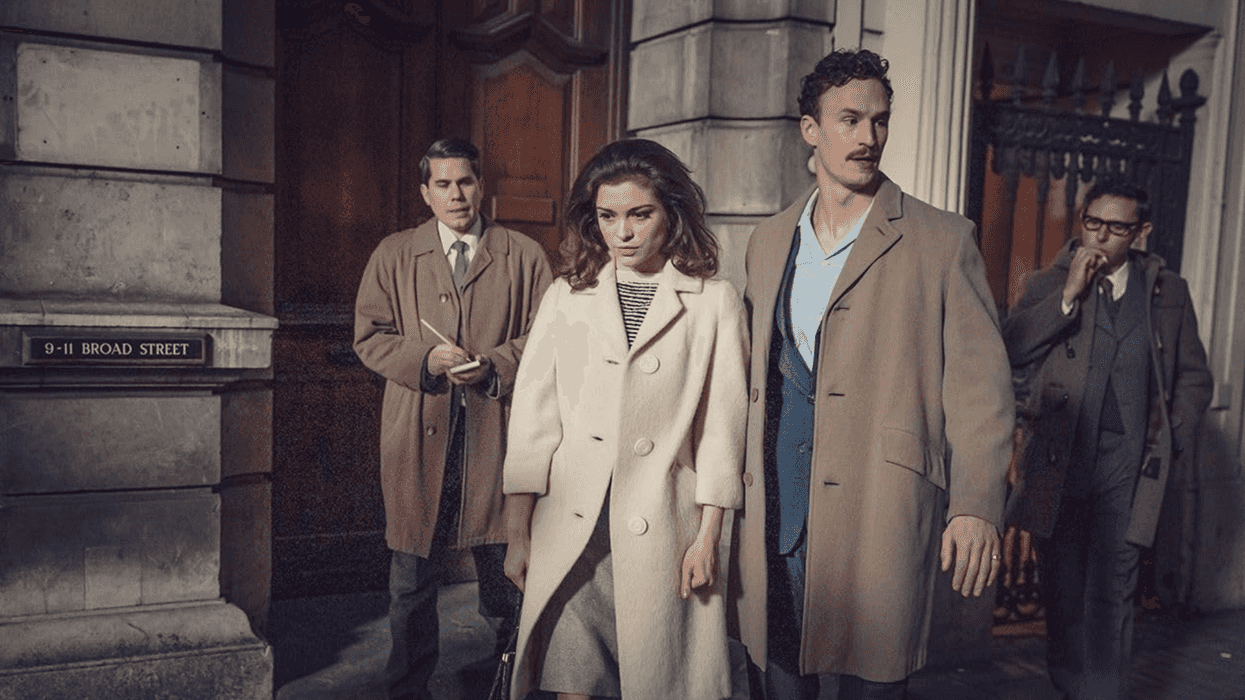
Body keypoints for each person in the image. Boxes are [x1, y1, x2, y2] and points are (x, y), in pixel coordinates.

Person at [729, 48, 1015, 700]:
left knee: (874, 686)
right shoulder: (768, 239)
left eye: (878, 121)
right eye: (849, 120)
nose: (867, 138)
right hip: (774, 506)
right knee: (774, 678)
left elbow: (979, 388)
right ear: (810, 129)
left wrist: (974, 504)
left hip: (879, 509)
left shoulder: (942, 239)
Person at [501, 138, 750, 700]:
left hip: (665, 527)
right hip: (573, 528)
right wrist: (517, 532)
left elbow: (721, 431)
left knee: (658, 680)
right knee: (572, 683)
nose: (624, 233)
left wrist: (708, 538)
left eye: (641, 214)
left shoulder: (714, 301)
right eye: (608, 217)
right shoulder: (567, 295)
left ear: (673, 213)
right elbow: (534, 422)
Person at [353, 138, 554, 700]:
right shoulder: (394, 254)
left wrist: (494, 364)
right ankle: (408, 688)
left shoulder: (524, 254)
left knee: (505, 571)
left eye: (464, 181)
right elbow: (369, 337)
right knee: (412, 579)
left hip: (496, 433)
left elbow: (547, 340)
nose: (456, 194)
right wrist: (424, 357)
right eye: (442, 184)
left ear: (480, 185)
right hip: (418, 434)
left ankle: (506, 684)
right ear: (425, 192)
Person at [1002, 181, 1212, 699]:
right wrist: (1069, 296)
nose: (1100, 237)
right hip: (1061, 461)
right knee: (1064, 591)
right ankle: (1073, 686)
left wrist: (1173, 436)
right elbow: (1013, 350)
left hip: (1130, 468)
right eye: (1092, 223)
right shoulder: (1048, 283)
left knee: (1114, 593)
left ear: (1140, 232)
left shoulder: (1167, 291)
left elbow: (1194, 377)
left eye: (1117, 228)